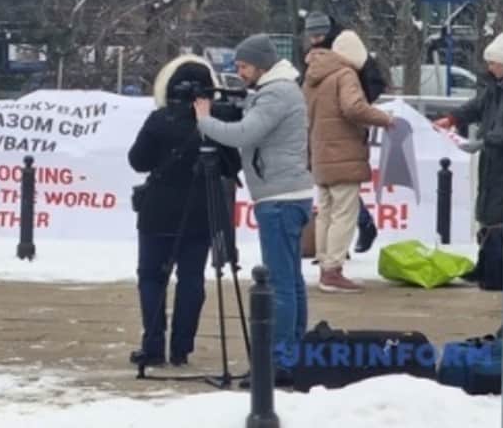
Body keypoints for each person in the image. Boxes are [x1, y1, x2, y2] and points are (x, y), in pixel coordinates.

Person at [194, 34, 312, 383]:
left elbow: (244, 134)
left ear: (261, 65)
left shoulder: (276, 93)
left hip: (280, 198)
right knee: (291, 281)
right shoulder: (278, 89)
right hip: (288, 194)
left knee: (279, 284)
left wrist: (204, 119)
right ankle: (292, 355)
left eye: (244, 66)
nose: (239, 72)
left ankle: (276, 363)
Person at [127, 56, 241, 368]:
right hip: (200, 211)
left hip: (158, 211)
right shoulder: (214, 123)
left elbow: (138, 161)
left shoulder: (159, 119)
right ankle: (181, 347)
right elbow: (232, 166)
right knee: (191, 279)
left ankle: (153, 345)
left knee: (151, 277)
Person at [433, 32, 503, 279]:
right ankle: (489, 264)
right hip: (495, 161)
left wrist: (483, 142)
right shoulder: (497, 87)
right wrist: (452, 119)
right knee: (490, 213)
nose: (489, 67)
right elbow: (477, 106)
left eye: (493, 63)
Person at [302, 30, 392, 293]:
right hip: (344, 153)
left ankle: (325, 266)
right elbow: (353, 107)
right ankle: (333, 270)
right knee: (344, 213)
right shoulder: (345, 74)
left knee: (325, 212)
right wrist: (385, 119)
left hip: (320, 153)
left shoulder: (313, 75)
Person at [302, 12, 379, 253]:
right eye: (311, 35)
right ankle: (332, 256)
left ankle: (331, 255)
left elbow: (357, 97)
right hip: (331, 126)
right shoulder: (334, 54)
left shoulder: (339, 54)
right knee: (338, 193)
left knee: (336, 194)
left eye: (318, 35)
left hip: (333, 126)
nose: (314, 39)